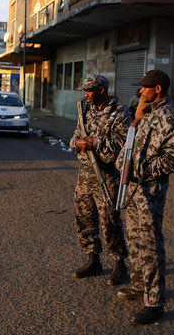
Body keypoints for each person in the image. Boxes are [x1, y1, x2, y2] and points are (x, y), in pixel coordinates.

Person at [115, 69, 174, 326]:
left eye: (145, 87)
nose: (140, 90)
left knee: (150, 246)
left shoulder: (168, 117)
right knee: (133, 239)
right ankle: (138, 286)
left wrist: (140, 170)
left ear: (158, 89)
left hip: (149, 192)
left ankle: (154, 303)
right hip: (133, 190)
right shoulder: (147, 113)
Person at [69, 74, 131, 286]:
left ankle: (119, 264)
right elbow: (73, 139)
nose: (86, 94)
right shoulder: (85, 110)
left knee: (110, 221)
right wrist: (79, 143)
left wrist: (93, 142)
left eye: (90, 90)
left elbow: (123, 143)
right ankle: (92, 259)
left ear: (102, 90)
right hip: (85, 175)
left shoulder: (120, 112)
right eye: (84, 90)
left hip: (107, 176)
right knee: (85, 218)